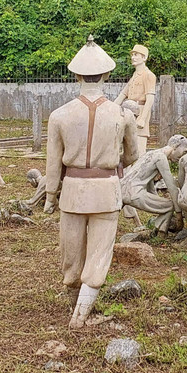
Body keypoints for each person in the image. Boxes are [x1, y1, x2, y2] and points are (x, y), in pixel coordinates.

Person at [45, 35, 138, 328]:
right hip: (106, 192)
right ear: (108, 75)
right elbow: (133, 154)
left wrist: (50, 195)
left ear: (76, 76)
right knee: (99, 255)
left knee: (70, 257)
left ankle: (77, 311)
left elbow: (52, 163)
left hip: (72, 192)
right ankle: (81, 317)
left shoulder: (59, 116)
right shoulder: (122, 115)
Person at [120, 135, 187, 233]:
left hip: (120, 189)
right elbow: (172, 187)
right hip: (133, 193)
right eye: (184, 151)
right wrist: (179, 214)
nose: (182, 156)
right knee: (170, 205)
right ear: (176, 146)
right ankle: (161, 233)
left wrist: (156, 198)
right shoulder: (161, 158)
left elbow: (149, 185)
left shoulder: (150, 153)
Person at [114, 44, 156, 156]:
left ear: (144, 58)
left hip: (140, 111)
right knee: (127, 146)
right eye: (132, 54)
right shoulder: (134, 75)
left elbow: (150, 99)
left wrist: (142, 118)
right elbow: (123, 93)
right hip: (128, 111)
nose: (133, 57)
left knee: (140, 148)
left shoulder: (148, 75)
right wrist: (111, 109)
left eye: (136, 55)